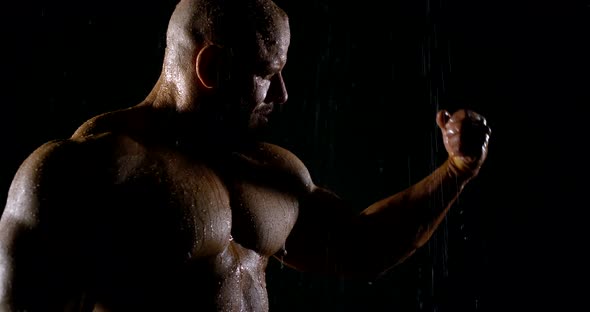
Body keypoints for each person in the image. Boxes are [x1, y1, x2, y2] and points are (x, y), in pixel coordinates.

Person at [0, 0, 491, 311]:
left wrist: (458, 171)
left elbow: (359, 248)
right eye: (267, 73)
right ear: (211, 66)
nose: (282, 93)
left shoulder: (269, 171)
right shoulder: (84, 175)